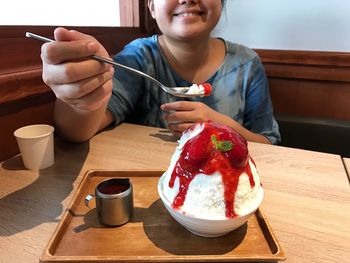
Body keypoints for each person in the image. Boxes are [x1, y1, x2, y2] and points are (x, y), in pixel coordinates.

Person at [40, 0, 280, 144]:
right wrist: (81, 97)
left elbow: (268, 144)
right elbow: (76, 131)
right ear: (152, 6)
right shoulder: (139, 57)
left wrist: (221, 126)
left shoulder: (246, 63)